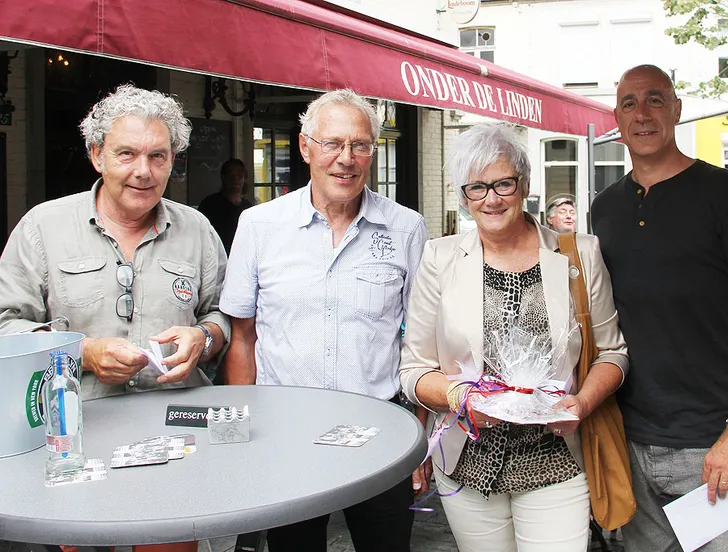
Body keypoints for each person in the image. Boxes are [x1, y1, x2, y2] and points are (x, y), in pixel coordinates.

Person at [0, 84, 230, 552]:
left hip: (175, 443)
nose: (143, 172)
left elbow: (223, 315)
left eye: (158, 156)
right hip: (74, 444)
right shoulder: (43, 227)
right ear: (96, 155)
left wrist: (203, 337)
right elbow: (6, 326)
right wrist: (82, 353)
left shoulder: (198, 230)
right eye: (126, 154)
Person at [400, 123, 628, 551]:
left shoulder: (579, 252)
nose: (491, 198)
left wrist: (582, 404)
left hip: (555, 455)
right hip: (469, 460)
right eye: (476, 188)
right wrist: (461, 398)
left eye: (503, 183)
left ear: (523, 184)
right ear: (462, 194)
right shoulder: (440, 257)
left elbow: (613, 353)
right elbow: (414, 371)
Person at [219, 89, 429, 552]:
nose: (346, 159)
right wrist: (241, 439)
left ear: (374, 151)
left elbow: (421, 341)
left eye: (360, 145)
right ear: (305, 147)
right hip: (285, 436)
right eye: (332, 143)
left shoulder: (406, 227)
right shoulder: (258, 226)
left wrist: (419, 438)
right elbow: (242, 338)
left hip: (383, 433)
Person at [591, 65, 728, 552]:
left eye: (655, 100)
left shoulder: (727, 196)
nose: (642, 114)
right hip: (626, 439)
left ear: (677, 109)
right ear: (617, 117)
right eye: (630, 103)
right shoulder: (605, 207)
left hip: (708, 443)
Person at [198, 158, 253, 254]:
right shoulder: (209, 205)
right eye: (232, 174)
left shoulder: (248, 208)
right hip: (215, 257)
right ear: (223, 177)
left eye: (240, 174)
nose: (236, 178)